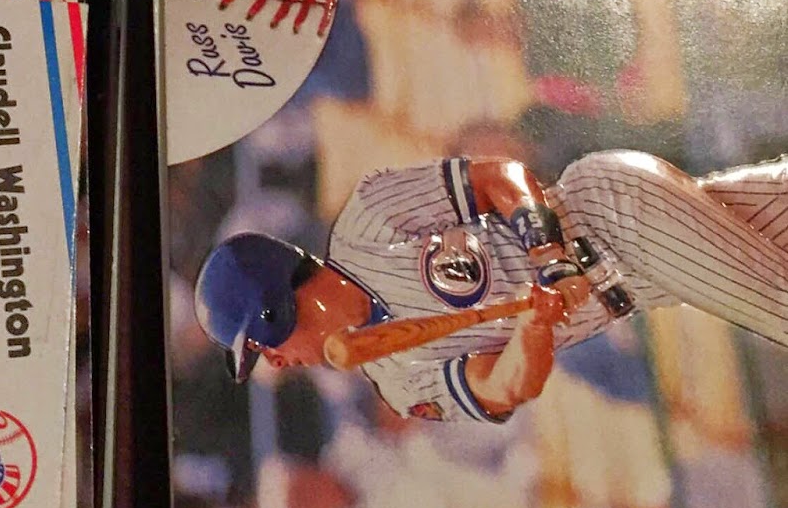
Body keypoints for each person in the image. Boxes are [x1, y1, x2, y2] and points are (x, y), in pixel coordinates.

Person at [194, 151, 788, 423]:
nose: (275, 362)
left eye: (261, 346)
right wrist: (534, 328)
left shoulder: (368, 219)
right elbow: (505, 387)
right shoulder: (400, 385)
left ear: (272, 308)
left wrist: (549, 257)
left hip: (610, 211)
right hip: (642, 283)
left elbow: (500, 176)